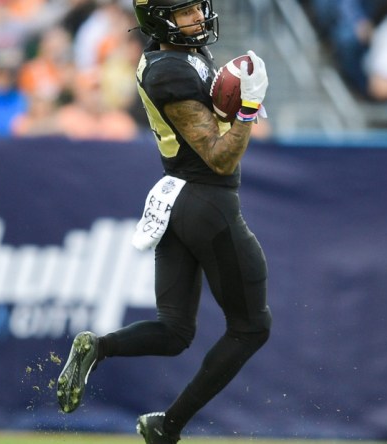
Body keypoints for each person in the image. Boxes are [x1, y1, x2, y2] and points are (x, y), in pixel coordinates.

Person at [55, 1, 272, 443]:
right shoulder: (169, 69)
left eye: (197, 7)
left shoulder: (178, 56)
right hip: (206, 201)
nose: (196, 17)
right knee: (252, 327)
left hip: (175, 199)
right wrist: (247, 108)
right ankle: (167, 427)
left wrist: (233, 106)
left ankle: (99, 347)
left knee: (174, 331)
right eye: (184, 11)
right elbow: (218, 156)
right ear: (158, 18)